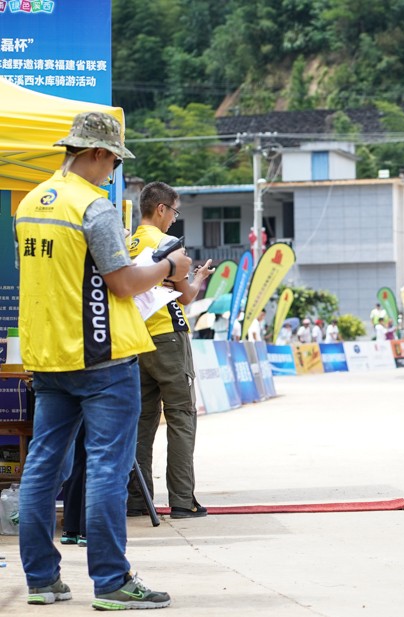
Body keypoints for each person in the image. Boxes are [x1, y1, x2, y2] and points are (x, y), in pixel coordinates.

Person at [15, 111, 191, 609]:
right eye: (113, 160)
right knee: (108, 469)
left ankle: (42, 581)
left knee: (43, 469)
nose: (113, 171)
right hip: (102, 357)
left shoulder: (30, 203)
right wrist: (167, 267)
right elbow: (122, 282)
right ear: (94, 153)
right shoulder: (94, 207)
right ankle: (111, 582)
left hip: (48, 356)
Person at [127, 181, 213, 522]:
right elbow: (186, 296)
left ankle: (138, 500)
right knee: (180, 416)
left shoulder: (126, 242)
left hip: (135, 339)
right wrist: (198, 278)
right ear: (160, 208)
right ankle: (182, 500)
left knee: (142, 422)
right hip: (168, 336)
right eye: (173, 212)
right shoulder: (169, 245)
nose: (174, 220)